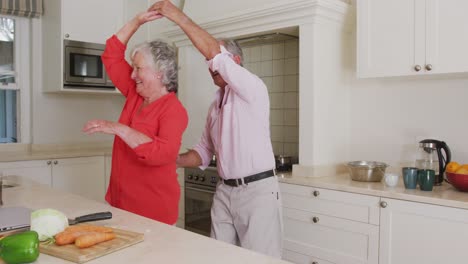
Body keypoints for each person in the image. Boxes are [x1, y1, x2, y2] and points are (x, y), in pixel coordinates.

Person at [147, 1, 283, 258]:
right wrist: (169, 160)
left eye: (216, 60)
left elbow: (214, 55)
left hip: (257, 192)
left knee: (260, 260)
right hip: (225, 191)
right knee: (217, 256)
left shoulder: (252, 87)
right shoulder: (215, 104)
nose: (210, 67)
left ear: (236, 62)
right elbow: (203, 151)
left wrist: (176, 15)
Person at [82, 10, 188, 225]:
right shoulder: (135, 93)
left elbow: (163, 154)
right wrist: (137, 21)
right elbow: (111, 53)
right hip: (120, 204)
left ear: (159, 72)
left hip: (152, 211)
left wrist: (119, 129)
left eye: (138, 68)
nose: (132, 75)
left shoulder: (174, 110)